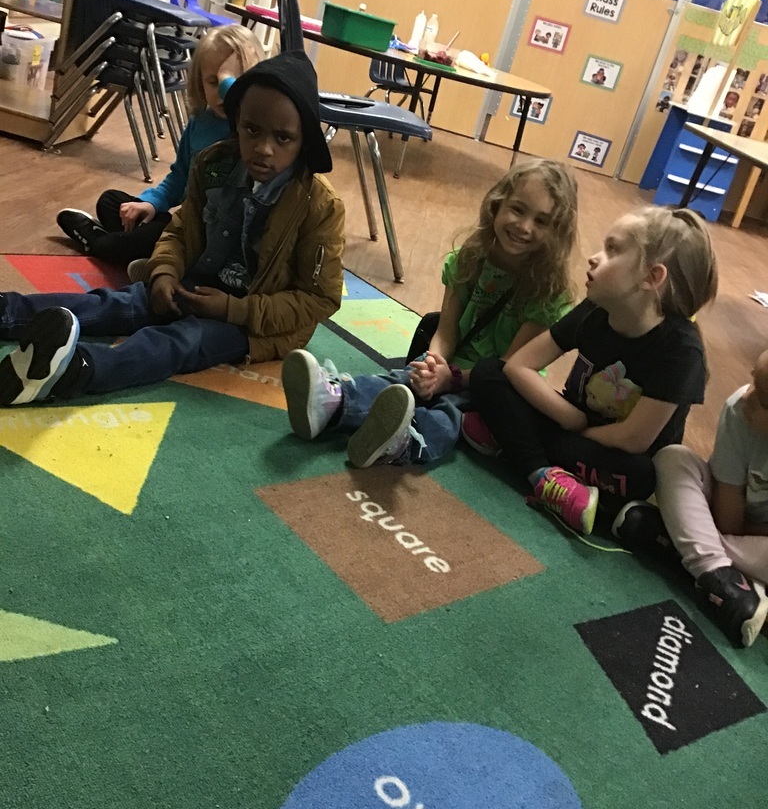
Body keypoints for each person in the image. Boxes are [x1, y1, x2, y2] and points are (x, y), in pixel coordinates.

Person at [0, 52, 345, 406]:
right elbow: (180, 230)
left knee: (179, 342)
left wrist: (233, 309)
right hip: (192, 284)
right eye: (251, 130)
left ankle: (73, 371)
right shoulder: (214, 164)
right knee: (114, 303)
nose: (263, 148)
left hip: (252, 324)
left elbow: (320, 299)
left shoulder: (321, 207)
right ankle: (7, 311)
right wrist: (164, 271)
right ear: (237, 122)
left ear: (304, 141)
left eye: (283, 138)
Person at [281, 159, 578, 469]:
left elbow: (505, 370)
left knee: (452, 411)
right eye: (517, 209)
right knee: (404, 378)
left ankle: (406, 441)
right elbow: (446, 331)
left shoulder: (547, 294)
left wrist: (452, 380)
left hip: (498, 387)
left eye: (542, 221)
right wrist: (433, 363)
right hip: (452, 366)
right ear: (497, 204)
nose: (524, 227)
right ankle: (335, 402)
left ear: (557, 232)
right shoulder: (470, 259)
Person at [467, 206, 718, 536]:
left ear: (651, 277)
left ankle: (515, 444)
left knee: (640, 475)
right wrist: (570, 417)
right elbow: (518, 365)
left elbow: (633, 439)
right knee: (488, 373)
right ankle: (544, 475)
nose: (594, 257)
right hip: (573, 429)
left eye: (612, 250)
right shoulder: (594, 310)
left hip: (612, 453)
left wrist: (573, 430)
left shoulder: (681, 350)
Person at [55, 24, 264, 268]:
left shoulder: (252, 132)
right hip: (182, 225)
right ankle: (137, 251)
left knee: (126, 243)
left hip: (213, 242)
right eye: (212, 82)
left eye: (230, 82)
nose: (222, 92)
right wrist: (151, 204)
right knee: (111, 201)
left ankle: (98, 242)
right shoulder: (200, 122)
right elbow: (179, 178)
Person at [623, 350, 768, 648]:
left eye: (763, 397)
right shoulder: (739, 409)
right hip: (722, 516)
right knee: (673, 458)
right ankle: (719, 575)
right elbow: (728, 520)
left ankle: (682, 544)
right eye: (753, 378)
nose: (746, 396)